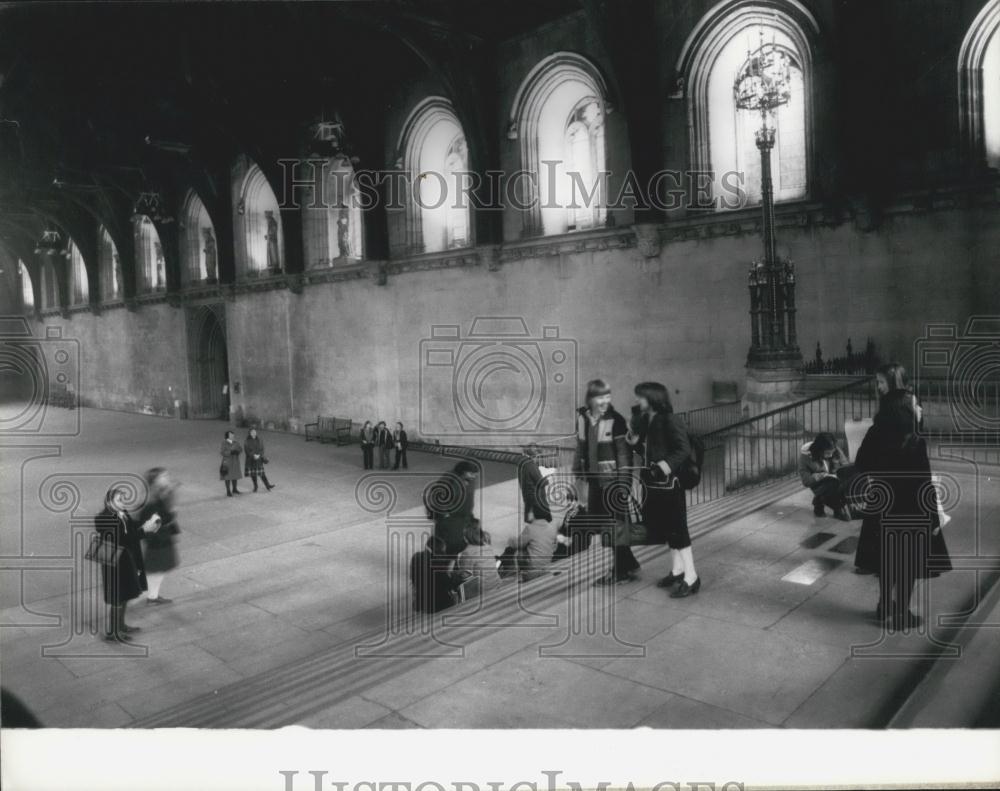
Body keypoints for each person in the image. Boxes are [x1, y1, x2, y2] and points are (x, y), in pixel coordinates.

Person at [852, 390, 952, 629]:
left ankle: (884, 604)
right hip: (910, 510)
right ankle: (901, 613)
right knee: (907, 565)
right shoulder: (914, 440)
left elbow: (861, 464)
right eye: (916, 405)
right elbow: (923, 484)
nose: (921, 409)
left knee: (886, 560)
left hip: (882, 506)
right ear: (904, 411)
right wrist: (933, 520)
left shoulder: (875, 433)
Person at [631, 382, 700, 598]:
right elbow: (640, 444)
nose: (637, 401)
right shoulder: (647, 419)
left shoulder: (670, 419)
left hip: (670, 484)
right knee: (668, 530)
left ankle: (692, 577)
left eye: (640, 397)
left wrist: (665, 465)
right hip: (654, 485)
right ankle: (678, 571)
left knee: (678, 530)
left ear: (652, 398)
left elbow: (683, 449)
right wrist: (634, 438)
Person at [572, 379, 635, 585]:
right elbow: (580, 447)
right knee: (603, 525)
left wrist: (624, 485)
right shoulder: (583, 418)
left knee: (613, 527)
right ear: (590, 399)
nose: (605, 401)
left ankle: (620, 572)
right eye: (600, 397)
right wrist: (577, 474)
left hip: (612, 482)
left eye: (608, 396)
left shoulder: (616, 420)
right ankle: (628, 563)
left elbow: (624, 455)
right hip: (594, 481)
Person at [94, 486, 162, 641]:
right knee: (118, 597)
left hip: (125, 560)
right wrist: (144, 530)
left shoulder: (122, 513)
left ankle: (121, 626)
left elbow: (130, 526)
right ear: (110, 502)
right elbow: (123, 539)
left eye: (123, 499)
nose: (123, 502)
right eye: (119, 500)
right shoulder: (106, 518)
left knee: (124, 595)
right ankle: (113, 632)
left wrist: (147, 523)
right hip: (115, 563)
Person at [134, 467, 181, 605]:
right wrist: (171, 512)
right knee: (157, 569)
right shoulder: (151, 501)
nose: (167, 478)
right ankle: (151, 597)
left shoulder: (160, 494)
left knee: (159, 569)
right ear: (155, 482)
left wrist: (170, 494)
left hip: (160, 537)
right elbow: (155, 522)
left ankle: (153, 597)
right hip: (158, 539)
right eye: (164, 477)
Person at [424, 460, 479, 570]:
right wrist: (444, 515)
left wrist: (470, 516)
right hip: (449, 520)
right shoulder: (449, 480)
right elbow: (435, 497)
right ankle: (442, 569)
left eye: (475, 474)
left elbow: (469, 499)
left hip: (463, 519)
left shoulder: (470, 481)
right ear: (463, 471)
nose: (474, 476)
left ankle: (453, 566)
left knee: (460, 543)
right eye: (471, 473)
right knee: (447, 545)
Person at [799, 432, 851, 520]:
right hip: (819, 484)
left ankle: (820, 501)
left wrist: (840, 472)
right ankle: (838, 508)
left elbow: (845, 466)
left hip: (836, 480)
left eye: (832, 452)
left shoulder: (834, 449)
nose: (830, 455)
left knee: (847, 485)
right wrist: (819, 476)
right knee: (832, 486)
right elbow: (806, 480)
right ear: (819, 450)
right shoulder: (806, 456)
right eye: (827, 453)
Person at [518, 444, 553, 525]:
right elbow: (541, 482)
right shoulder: (531, 465)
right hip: (536, 498)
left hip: (527, 495)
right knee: (544, 521)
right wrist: (547, 479)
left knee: (530, 519)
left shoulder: (522, 462)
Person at [244, 427, 276, 492]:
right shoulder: (247, 441)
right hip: (251, 460)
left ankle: (268, 485)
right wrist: (254, 455)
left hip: (258, 460)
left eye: (255, 432)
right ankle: (255, 487)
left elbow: (262, 449)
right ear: (249, 433)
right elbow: (247, 450)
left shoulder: (259, 439)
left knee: (262, 474)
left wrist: (259, 455)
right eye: (252, 432)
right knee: (253, 475)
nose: (254, 433)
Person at [220, 430, 243, 496]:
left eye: (233, 434)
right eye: (230, 435)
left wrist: (238, 451)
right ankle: (228, 491)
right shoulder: (224, 443)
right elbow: (222, 452)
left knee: (234, 475)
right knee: (227, 476)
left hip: (235, 461)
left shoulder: (236, 442)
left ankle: (234, 489)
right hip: (227, 461)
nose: (232, 436)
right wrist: (230, 452)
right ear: (227, 436)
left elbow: (240, 449)